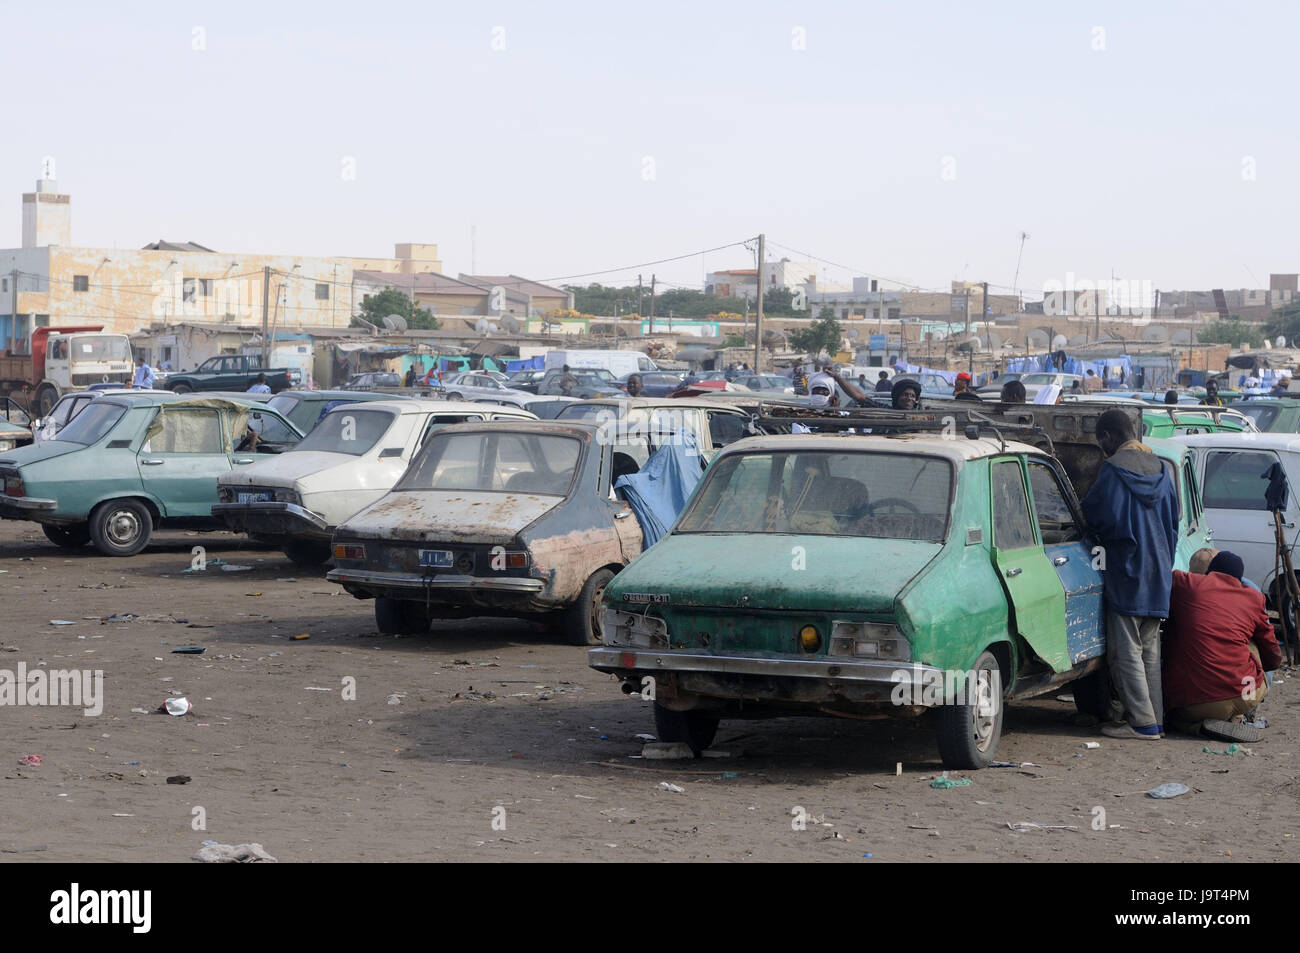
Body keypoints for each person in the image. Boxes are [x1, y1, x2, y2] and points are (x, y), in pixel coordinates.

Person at [1081, 408, 1179, 740]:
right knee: (1149, 650)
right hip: (1158, 571)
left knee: (1126, 651)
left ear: (1107, 436)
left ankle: (1141, 723)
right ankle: (1155, 719)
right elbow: (1173, 525)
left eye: (1100, 441)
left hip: (1127, 570)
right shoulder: (1162, 470)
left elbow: (1096, 516)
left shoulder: (1112, 470)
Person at [1164, 550, 1282, 739]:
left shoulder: (1187, 583)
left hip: (1197, 702)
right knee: (1252, 641)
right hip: (1247, 694)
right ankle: (1238, 715)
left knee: (1175, 716)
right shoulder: (1254, 597)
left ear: (1211, 571)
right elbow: (1273, 655)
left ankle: (1196, 727)